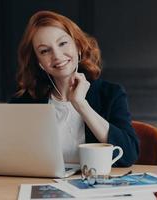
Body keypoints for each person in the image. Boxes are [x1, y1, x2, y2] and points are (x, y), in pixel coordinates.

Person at [9, 10, 139, 167]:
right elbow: (12, 156)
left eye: (62, 43)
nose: (56, 55)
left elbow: (129, 155)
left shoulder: (111, 94)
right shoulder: (24, 102)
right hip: (43, 185)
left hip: (93, 185)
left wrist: (81, 105)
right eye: (45, 51)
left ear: (78, 46)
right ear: (39, 63)